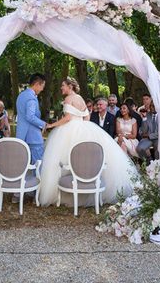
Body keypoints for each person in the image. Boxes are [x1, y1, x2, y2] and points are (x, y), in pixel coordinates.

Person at [38, 77, 137, 206]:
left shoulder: (68, 99)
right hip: (83, 127)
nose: (61, 88)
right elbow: (87, 116)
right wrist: (81, 127)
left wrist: (52, 125)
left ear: (70, 86)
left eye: (63, 85)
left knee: (63, 158)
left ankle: (67, 191)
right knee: (84, 158)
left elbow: (67, 118)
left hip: (69, 129)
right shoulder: (80, 98)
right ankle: (87, 185)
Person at [15, 73, 48, 163]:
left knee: (23, 164)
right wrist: (43, 124)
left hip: (21, 134)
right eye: (42, 86)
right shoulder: (31, 98)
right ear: (37, 84)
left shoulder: (21, 95)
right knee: (38, 165)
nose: (42, 89)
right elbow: (30, 117)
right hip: (33, 136)